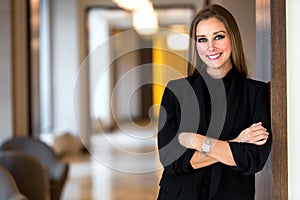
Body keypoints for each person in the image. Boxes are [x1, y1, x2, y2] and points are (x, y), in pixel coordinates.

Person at [157, 4, 272, 200]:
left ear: (232, 38)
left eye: (218, 36)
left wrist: (197, 141)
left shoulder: (256, 92)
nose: (211, 47)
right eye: (202, 39)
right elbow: (172, 161)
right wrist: (236, 142)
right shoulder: (176, 91)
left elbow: (254, 159)